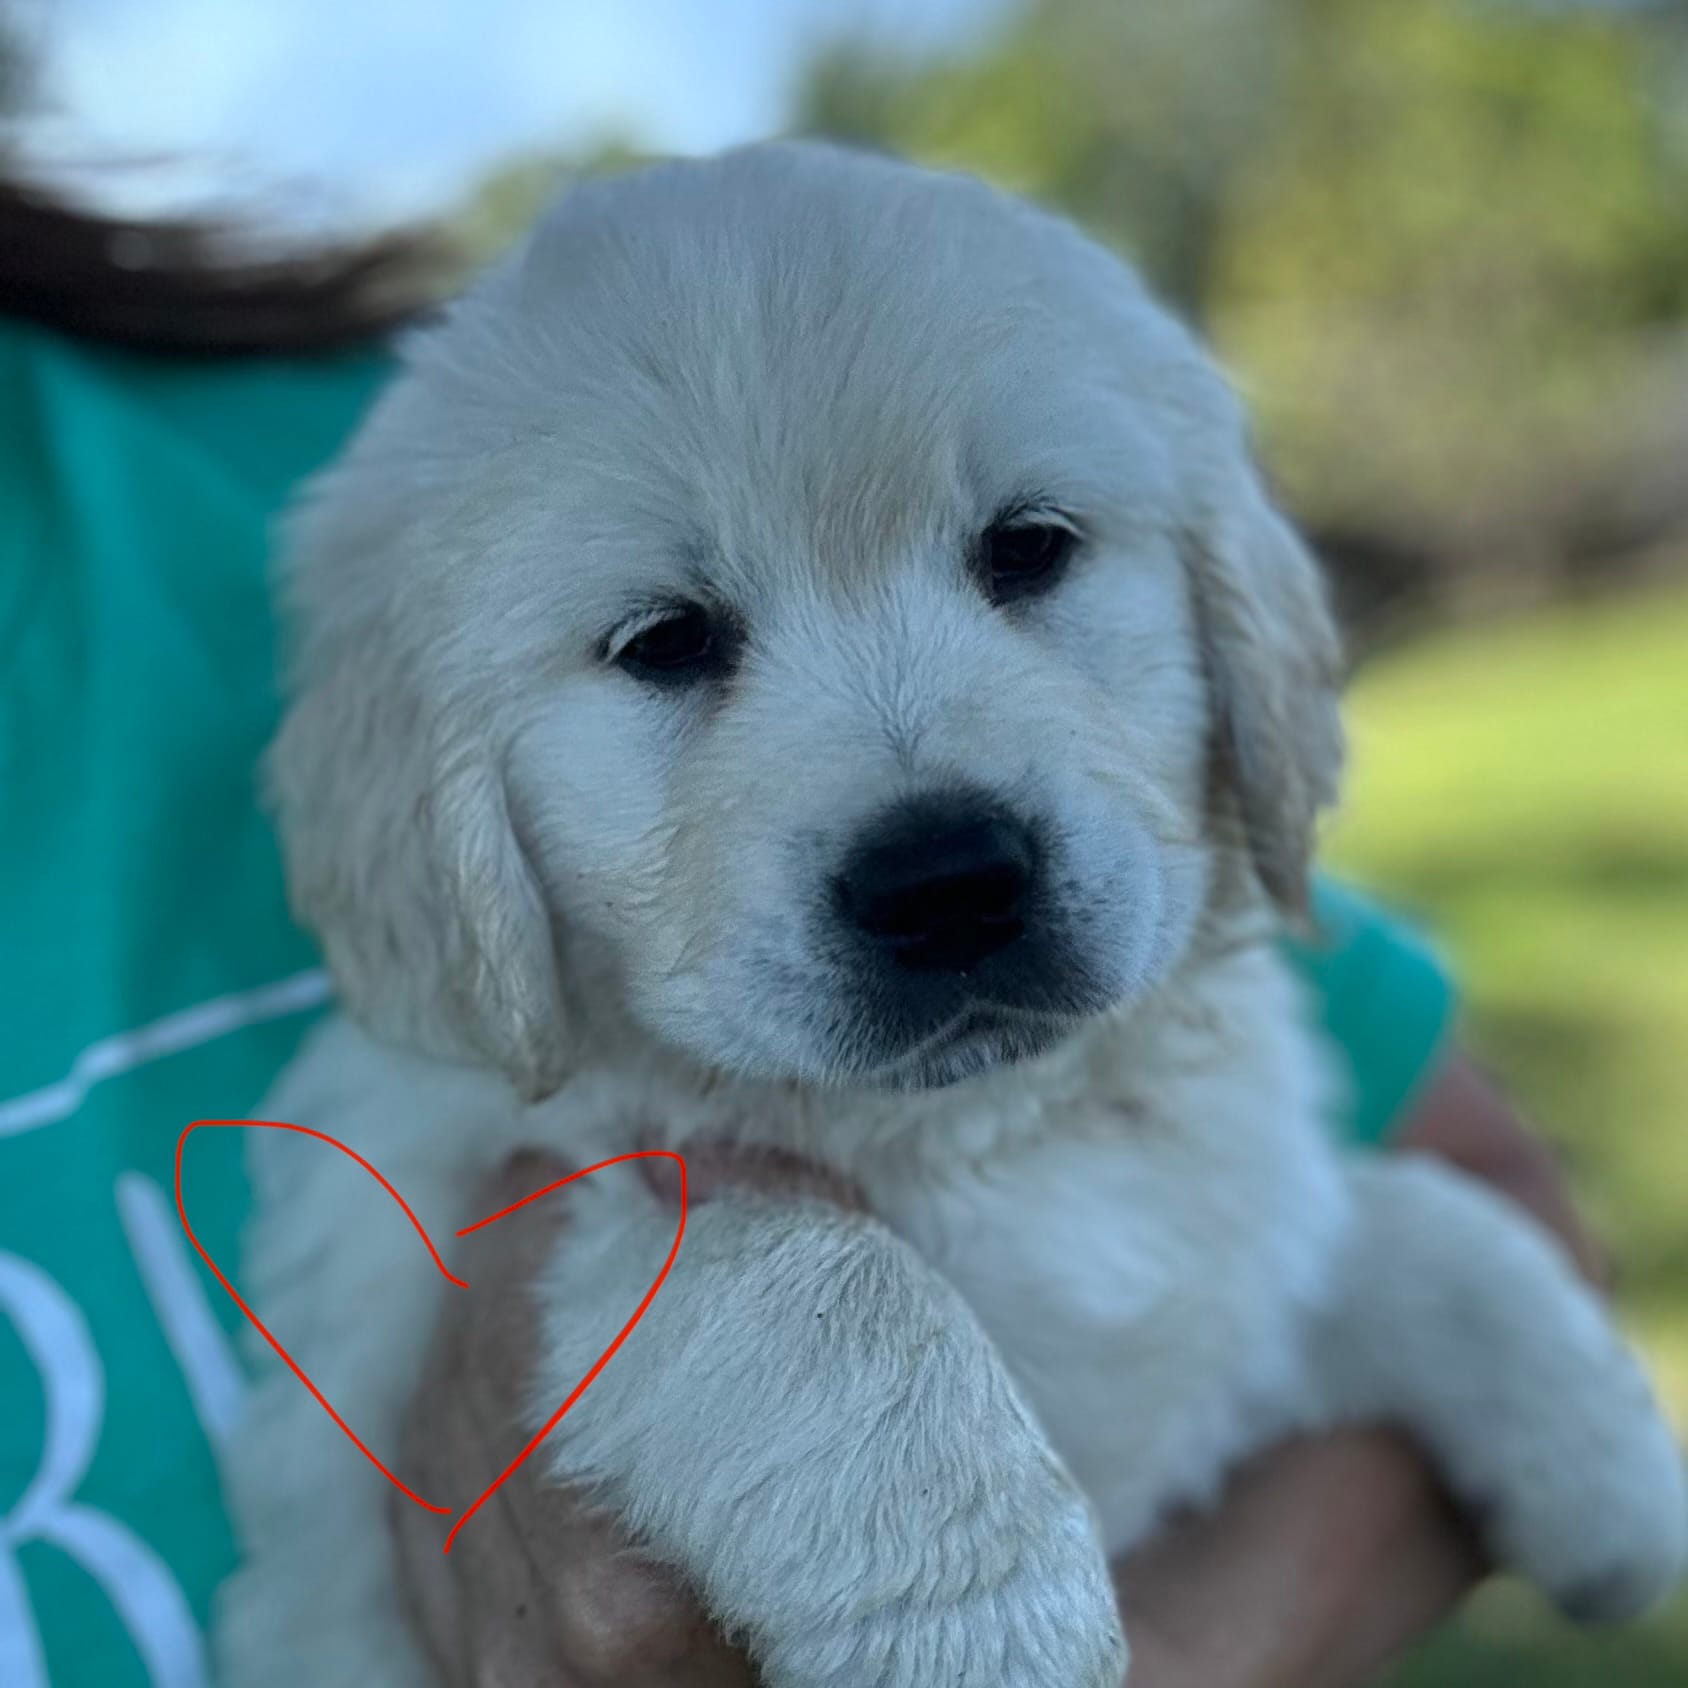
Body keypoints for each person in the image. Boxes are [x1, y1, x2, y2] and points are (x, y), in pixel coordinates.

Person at [0, 170, 1606, 1688]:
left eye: (1028, 552)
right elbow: (626, 1307)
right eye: (667, 642)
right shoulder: (437, 526)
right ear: (439, 808)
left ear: (1226, 597)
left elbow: (1466, 1196)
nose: (931, 824)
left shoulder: (289, 417)